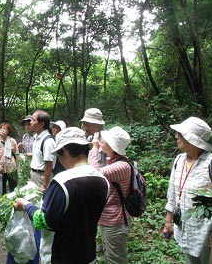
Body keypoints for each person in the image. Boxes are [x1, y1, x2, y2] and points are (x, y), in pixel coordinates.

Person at [14, 127, 109, 264]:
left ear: (65, 151)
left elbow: (44, 221)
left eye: (58, 155)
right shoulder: (102, 180)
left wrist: (25, 204)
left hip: (60, 256)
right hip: (88, 254)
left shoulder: (62, 182)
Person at [162, 117, 212, 263]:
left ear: (193, 139)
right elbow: (172, 194)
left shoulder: (211, 163)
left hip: (205, 234)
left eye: (181, 134)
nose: (177, 136)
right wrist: (168, 222)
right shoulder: (179, 160)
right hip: (183, 229)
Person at [88, 126, 132, 264]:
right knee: (110, 253)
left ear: (112, 146)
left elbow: (93, 173)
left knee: (116, 260)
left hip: (115, 221)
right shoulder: (113, 160)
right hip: (109, 218)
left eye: (105, 140)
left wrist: (94, 148)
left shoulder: (120, 166)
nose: (102, 140)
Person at [29, 110, 56, 193]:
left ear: (41, 124)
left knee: (41, 202)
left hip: (42, 177)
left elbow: (49, 164)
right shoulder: (37, 137)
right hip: (35, 175)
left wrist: (44, 184)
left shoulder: (48, 141)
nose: (31, 122)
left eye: (33, 120)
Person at [0, 122, 19, 195]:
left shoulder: (12, 141)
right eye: (1, 128)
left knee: (13, 188)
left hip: (12, 168)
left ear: (8, 131)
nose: (2, 130)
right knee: (2, 188)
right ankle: (3, 203)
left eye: (4, 129)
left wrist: (17, 167)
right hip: (1, 169)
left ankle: (14, 203)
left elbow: (17, 154)